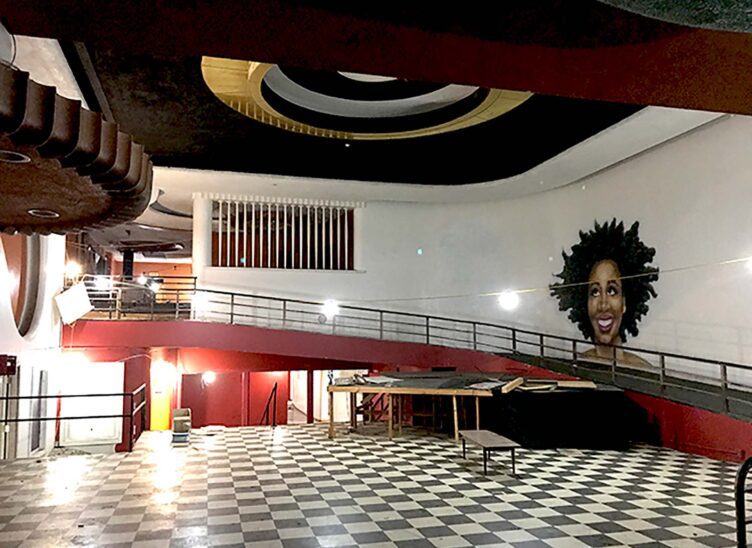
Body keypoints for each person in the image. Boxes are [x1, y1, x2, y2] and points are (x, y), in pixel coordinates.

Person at [550, 219, 659, 368]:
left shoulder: (643, 370)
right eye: (594, 292)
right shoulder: (576, 369)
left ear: (624, 302)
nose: (603, 304)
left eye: (612, 290)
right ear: (584, 303)